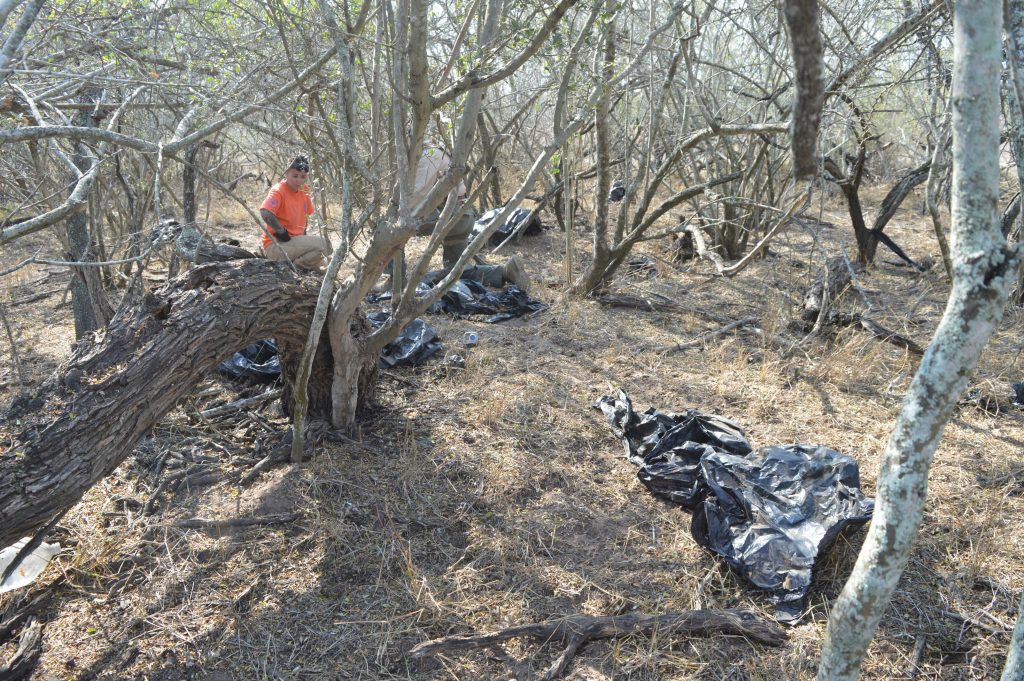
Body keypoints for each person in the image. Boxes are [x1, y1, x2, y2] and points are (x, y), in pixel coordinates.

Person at [379, 145, 529, 292]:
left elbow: (417, 194)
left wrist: (396, 215)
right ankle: (505, 272)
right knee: (456, 272)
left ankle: (395, 280)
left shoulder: (428, 155)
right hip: (463, 217)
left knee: (388, 228)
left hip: (450, 214)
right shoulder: (436, 152)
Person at [259, 156, 331, 271]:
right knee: (325, 244)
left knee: (325, 268)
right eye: (295, 176)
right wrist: (281, 231)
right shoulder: (278, 190)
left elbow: (305, 216)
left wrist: (304, 238)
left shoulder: (304, 189)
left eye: (303, 177)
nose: (299, 180)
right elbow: (265, 212)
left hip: (294, 243)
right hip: (275, 246)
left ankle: (297, 265)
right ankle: (295, 268)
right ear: (286, 173)